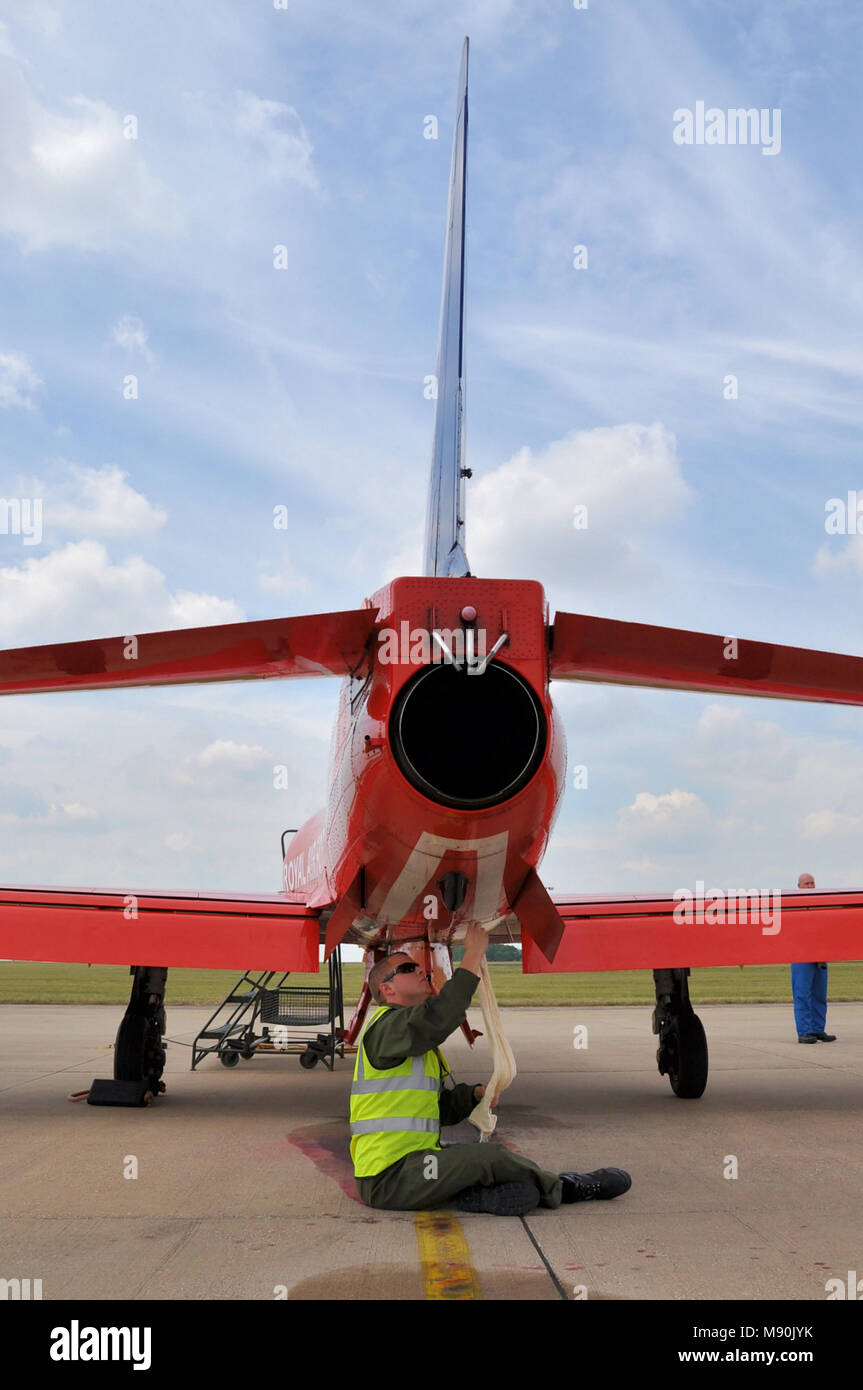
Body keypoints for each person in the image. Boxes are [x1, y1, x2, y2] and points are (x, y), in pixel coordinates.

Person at [349, 923, 632, 1216]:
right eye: (408, 968)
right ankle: (566, 1188)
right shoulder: (385, 1028)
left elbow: (436, 1109)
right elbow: (440, 1016)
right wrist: (473, 954)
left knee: (471, 1160)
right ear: (387, 988)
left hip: (415, 1164)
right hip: (389, 1177)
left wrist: (474, 1096)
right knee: (491, 1157)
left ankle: (475, 1196)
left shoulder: (405, 1036)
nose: (421, 969)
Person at [791, 872, 836, 1043]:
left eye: (812, 883)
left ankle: (818, 1029)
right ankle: (804, 1031)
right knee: (803, 993)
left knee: (819, 994)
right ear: (799, 886)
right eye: (806, 884)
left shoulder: (820, 904)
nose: (810, 886)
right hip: (800, 955)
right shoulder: (794, 905)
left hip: (819, 954)